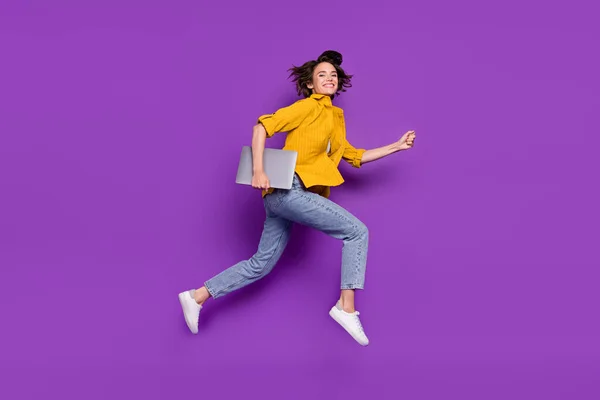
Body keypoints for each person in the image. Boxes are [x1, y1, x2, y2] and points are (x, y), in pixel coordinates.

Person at [179, 50, 416, 346]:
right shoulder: (307, 107)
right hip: (288, 188)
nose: (329, 79)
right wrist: (259, 171)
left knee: (261, 264)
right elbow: (261, 127)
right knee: (357, 232)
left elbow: (354, 156)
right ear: (310, 85)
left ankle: (196, 296)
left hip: (286, 199)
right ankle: (346, 307)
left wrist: (396, 146)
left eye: (333, 75)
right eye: (322, 75)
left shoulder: (335, 118)